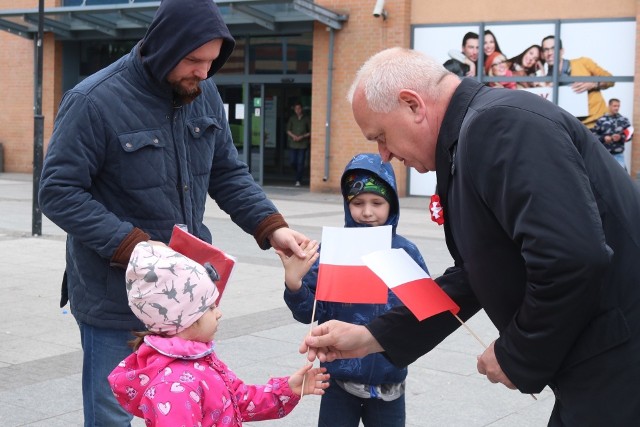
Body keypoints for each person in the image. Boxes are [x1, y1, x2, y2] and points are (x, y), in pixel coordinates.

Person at [300, 47, 640, 426]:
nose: (384, 155)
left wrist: (518, 353)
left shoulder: (500, 126)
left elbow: (573, 256)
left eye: (380, 136)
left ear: (413, 105)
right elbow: (472, 276)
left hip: (621, 362)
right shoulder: (473, 136)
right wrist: (371, 336)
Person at [38, 0, 309, 425]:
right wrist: (136, 247)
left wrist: (271, 227)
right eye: (194, 60)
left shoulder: (204, 92)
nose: (204, 72)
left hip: (186, 302)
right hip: (114, 298)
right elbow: (57, 192)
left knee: (189, 406)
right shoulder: (92, 100)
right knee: (111, 415)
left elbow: (226, 172)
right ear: (163, 47)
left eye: (212, 61)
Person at [278, 153, 430, 427]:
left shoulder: (406, 252)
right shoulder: (335, 251)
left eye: (377, 202)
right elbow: (310, 311)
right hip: (338, 380)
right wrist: (295, 284)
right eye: (358, 203)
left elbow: (424, 315)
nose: (367, 211)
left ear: (392, 203)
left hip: (389, 380)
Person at [108, 242, 330, 426]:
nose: (219, 313)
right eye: (211, 307)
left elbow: (240, 400)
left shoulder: (199, 359)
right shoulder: (173, 387)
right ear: (184, 320)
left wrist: (288, 389)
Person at [541, 35, 614, 128]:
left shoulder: (583, 62)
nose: (549, 53)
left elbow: (610, 79)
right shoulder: (545, 80)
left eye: (553, 48)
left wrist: (593, 84)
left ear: (562, 51)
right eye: (546, 49)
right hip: (572, 127)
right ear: (543, 54)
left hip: (598, 123)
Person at [591, 98, 632, 170]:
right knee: (604, 177)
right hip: (604, 155)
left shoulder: (624, 120)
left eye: (618, 106)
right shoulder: (601, 120)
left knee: (621, 177)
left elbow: (630, 135)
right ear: (609, 106)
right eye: (614, 106)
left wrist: (621, 137)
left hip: (618, 155)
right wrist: (603, 138)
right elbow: (593, 135)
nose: (617, 108)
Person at [286, 102, 312, 187]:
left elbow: (310, 131)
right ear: (294, 110)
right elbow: (288, 130)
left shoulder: (306, 119)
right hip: (293, 144)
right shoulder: (292, 118)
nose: (297, 110)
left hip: (302, 145)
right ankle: (297, 173)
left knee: (300, 162)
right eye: (296, 109)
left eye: (299, 108)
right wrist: (294, 136)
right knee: (293, 161)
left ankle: (298, 180)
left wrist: (302, 136)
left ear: (301, 109)